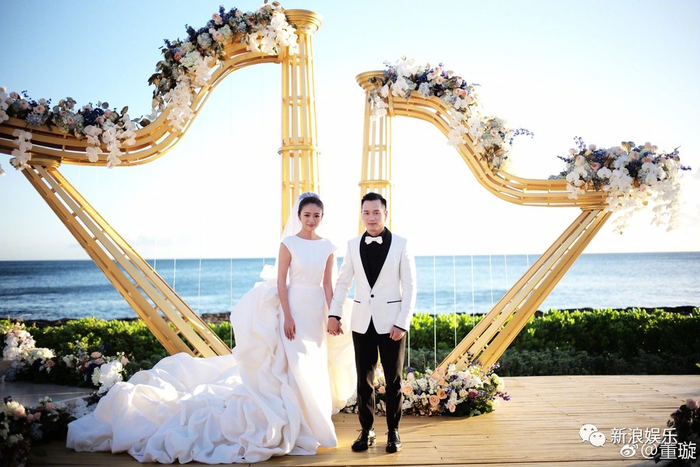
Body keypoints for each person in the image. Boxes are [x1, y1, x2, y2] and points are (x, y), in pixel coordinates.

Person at [66, 192, 355, 464]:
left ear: (322, 217)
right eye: (307, 215)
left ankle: (312, 423)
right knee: (296, 366)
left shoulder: (328, 246)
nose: (311, 220)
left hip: (316, 313)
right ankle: (297, 424)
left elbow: (328, 285)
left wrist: (334, 315)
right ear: (299, 215)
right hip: (294, 310)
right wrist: (288, 317)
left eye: (316, 216)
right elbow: (282, 283)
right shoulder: (289, 243)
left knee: (313, 367)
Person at [327, 191, 416, 453]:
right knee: (363, 382)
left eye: (376, 212)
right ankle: (367, 431)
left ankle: (393, 432)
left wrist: (403, 322)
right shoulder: (353, 245)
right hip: (362, 322)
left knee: (394, 381)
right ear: (361, 215)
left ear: (385, 214)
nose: (371, 217)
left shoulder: (401, 244)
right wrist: (334, 314)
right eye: (366, 212)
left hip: (392, 325)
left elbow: (410, 287)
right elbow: (343, 282)